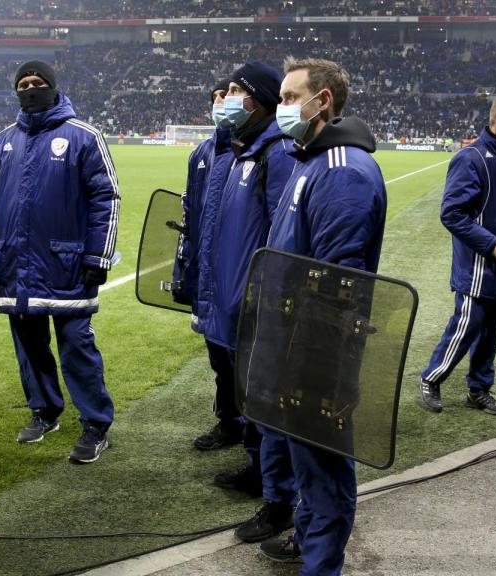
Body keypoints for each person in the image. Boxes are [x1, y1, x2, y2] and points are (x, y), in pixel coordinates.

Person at [256, 57, 387, 576]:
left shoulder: (342, 172)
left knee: (325, 464)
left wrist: (308, 357)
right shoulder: (311, 162)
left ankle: (321, 565)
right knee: (307, 458)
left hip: (315, 345)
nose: (282, 108)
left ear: (322, 101)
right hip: (293, 337)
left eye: (289, 98)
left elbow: (335, 284)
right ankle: (309, 537)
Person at [0, 61, 120, 464]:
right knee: (29, 347)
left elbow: (106, 198)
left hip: (68, 265)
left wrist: (98, 255)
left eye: (38, 83)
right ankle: (45, 411)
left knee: (77, 347)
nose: (31, 88)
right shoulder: (2, 141)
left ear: (54, 88)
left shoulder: (84, 136)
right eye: (23, 83)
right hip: (15, 267)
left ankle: (95, 423)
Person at [190, 61, 299, 540]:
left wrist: (265, 299)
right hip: (232, 301)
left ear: (260, 99)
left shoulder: (276, 153)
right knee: (247, 396)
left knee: (263, 400)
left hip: (255, 303)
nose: (226, 97)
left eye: (236, 90)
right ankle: (256, 470)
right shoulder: (239, 151)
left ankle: (273, 491)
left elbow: (283, 233)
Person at [418, 94, 496, 416]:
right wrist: (489, 243)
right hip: (479, 264)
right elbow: (452, 214)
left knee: (490, 330)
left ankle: (479, 389)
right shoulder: (471, 158)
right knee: (467, 324)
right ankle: (431, 378)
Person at [177, 79, 244, 451]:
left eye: (226, 95)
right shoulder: (200, 153)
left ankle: (254, 429)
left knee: (241, 353)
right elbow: (190, 212)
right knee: (217, 352)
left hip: (234, 270)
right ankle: (229, 421)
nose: (220, 102)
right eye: (215, 97)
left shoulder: (252, 150)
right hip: (205, 272)